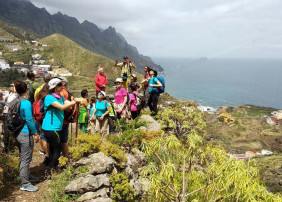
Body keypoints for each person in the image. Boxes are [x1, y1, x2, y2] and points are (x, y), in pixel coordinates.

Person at [41, 78, 78, 171]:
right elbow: (62, 107)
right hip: (51, 127)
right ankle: (53, 168)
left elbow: (67, 103)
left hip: (56, 127)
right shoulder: (49, 98)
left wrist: (75, 101)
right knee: (57, 149)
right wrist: (74, 102)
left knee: (53, 149)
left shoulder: (60, 97)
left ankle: (51, 167)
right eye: (60, 85)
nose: (63, 86)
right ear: (54, 87)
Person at [13, 80, 40, 192]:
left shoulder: (15, 100)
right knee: (25, 158)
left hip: (17, 132)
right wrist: (35, 133)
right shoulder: (26, 103)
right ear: (27, 90)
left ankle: (27, 176)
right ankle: (25, 183)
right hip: (25, 133)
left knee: (23, 156)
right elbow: (29, 120)